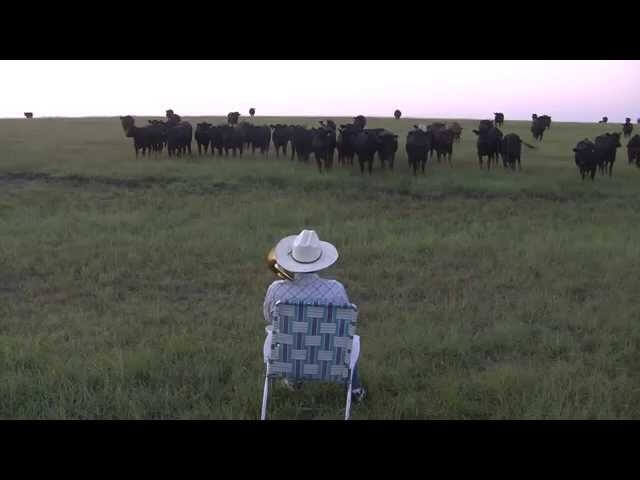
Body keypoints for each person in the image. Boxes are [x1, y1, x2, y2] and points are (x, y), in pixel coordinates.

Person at [263, 229, 366, 402]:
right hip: (329, 358)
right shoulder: (336, 289)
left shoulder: (276, 289)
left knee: (286, 335)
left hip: (288, 356)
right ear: (320, 260)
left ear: (292, 258)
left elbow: (268, 318)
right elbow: (344, 327)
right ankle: (355, 390)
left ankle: (294, 378)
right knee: (349, 340)